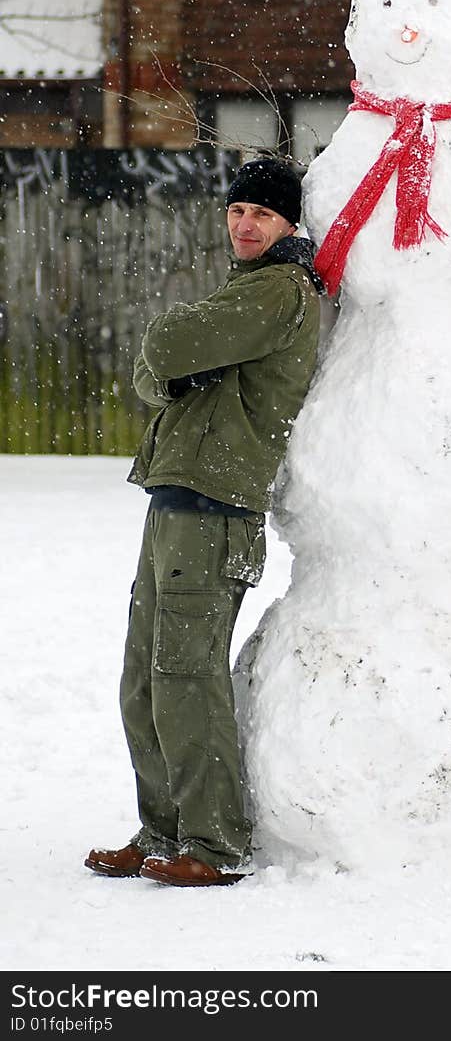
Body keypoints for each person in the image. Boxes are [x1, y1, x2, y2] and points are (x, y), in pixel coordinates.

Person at [85, 156, 323, 888]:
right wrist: (171, 360)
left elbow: (162, 348)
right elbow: (156, 370)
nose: (244, 223)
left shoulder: (281, 288)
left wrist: (172, 354)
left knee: (186, 672)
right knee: (143, 675)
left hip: (218, 504)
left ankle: (214, 842)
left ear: (287, 224)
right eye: (236, 211)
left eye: (260, 213)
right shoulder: (244, 290)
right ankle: (162, 828)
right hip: (178, 494)